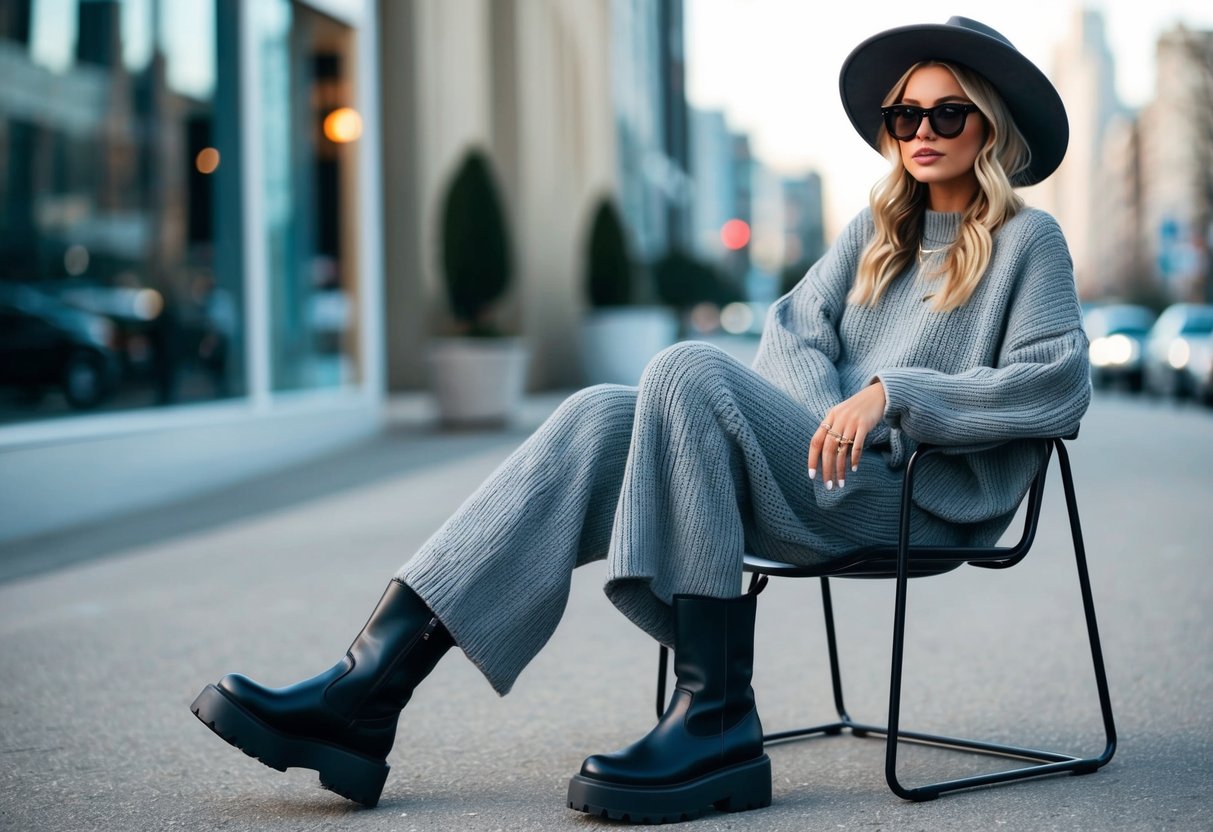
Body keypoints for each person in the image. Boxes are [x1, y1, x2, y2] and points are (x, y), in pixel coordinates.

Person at [190, 16, 1090, 824]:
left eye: (946, 114)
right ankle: (368, 687)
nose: (921, 133)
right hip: (825, 470)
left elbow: (1056, 383)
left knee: (689, 368)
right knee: (596, 417)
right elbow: (790, 334)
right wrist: (827, 416)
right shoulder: (871, 236)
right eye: (905, 116)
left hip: (913, 500)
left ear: (988, 126)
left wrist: (895, 396)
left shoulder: (1027, 243)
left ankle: (715, 714)